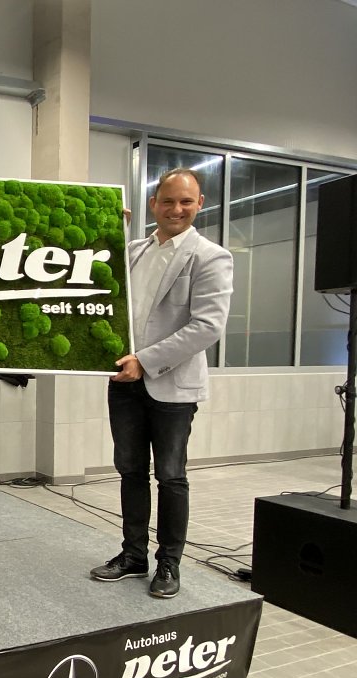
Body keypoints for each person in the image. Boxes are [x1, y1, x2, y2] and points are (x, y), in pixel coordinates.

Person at [90, 168, 233, 599]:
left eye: (186, 201)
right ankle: (133, 555)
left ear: (199, 204)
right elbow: (96, 285)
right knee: (130, 470)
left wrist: (146, 361)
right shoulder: (133, 251)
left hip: (172, 385)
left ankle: (169, 563)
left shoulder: (211, 257)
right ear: (153, 204)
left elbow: (207, 326)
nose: (176, 209)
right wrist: (106, 229)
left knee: (171, 476)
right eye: (168, 201)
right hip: (124, 382)